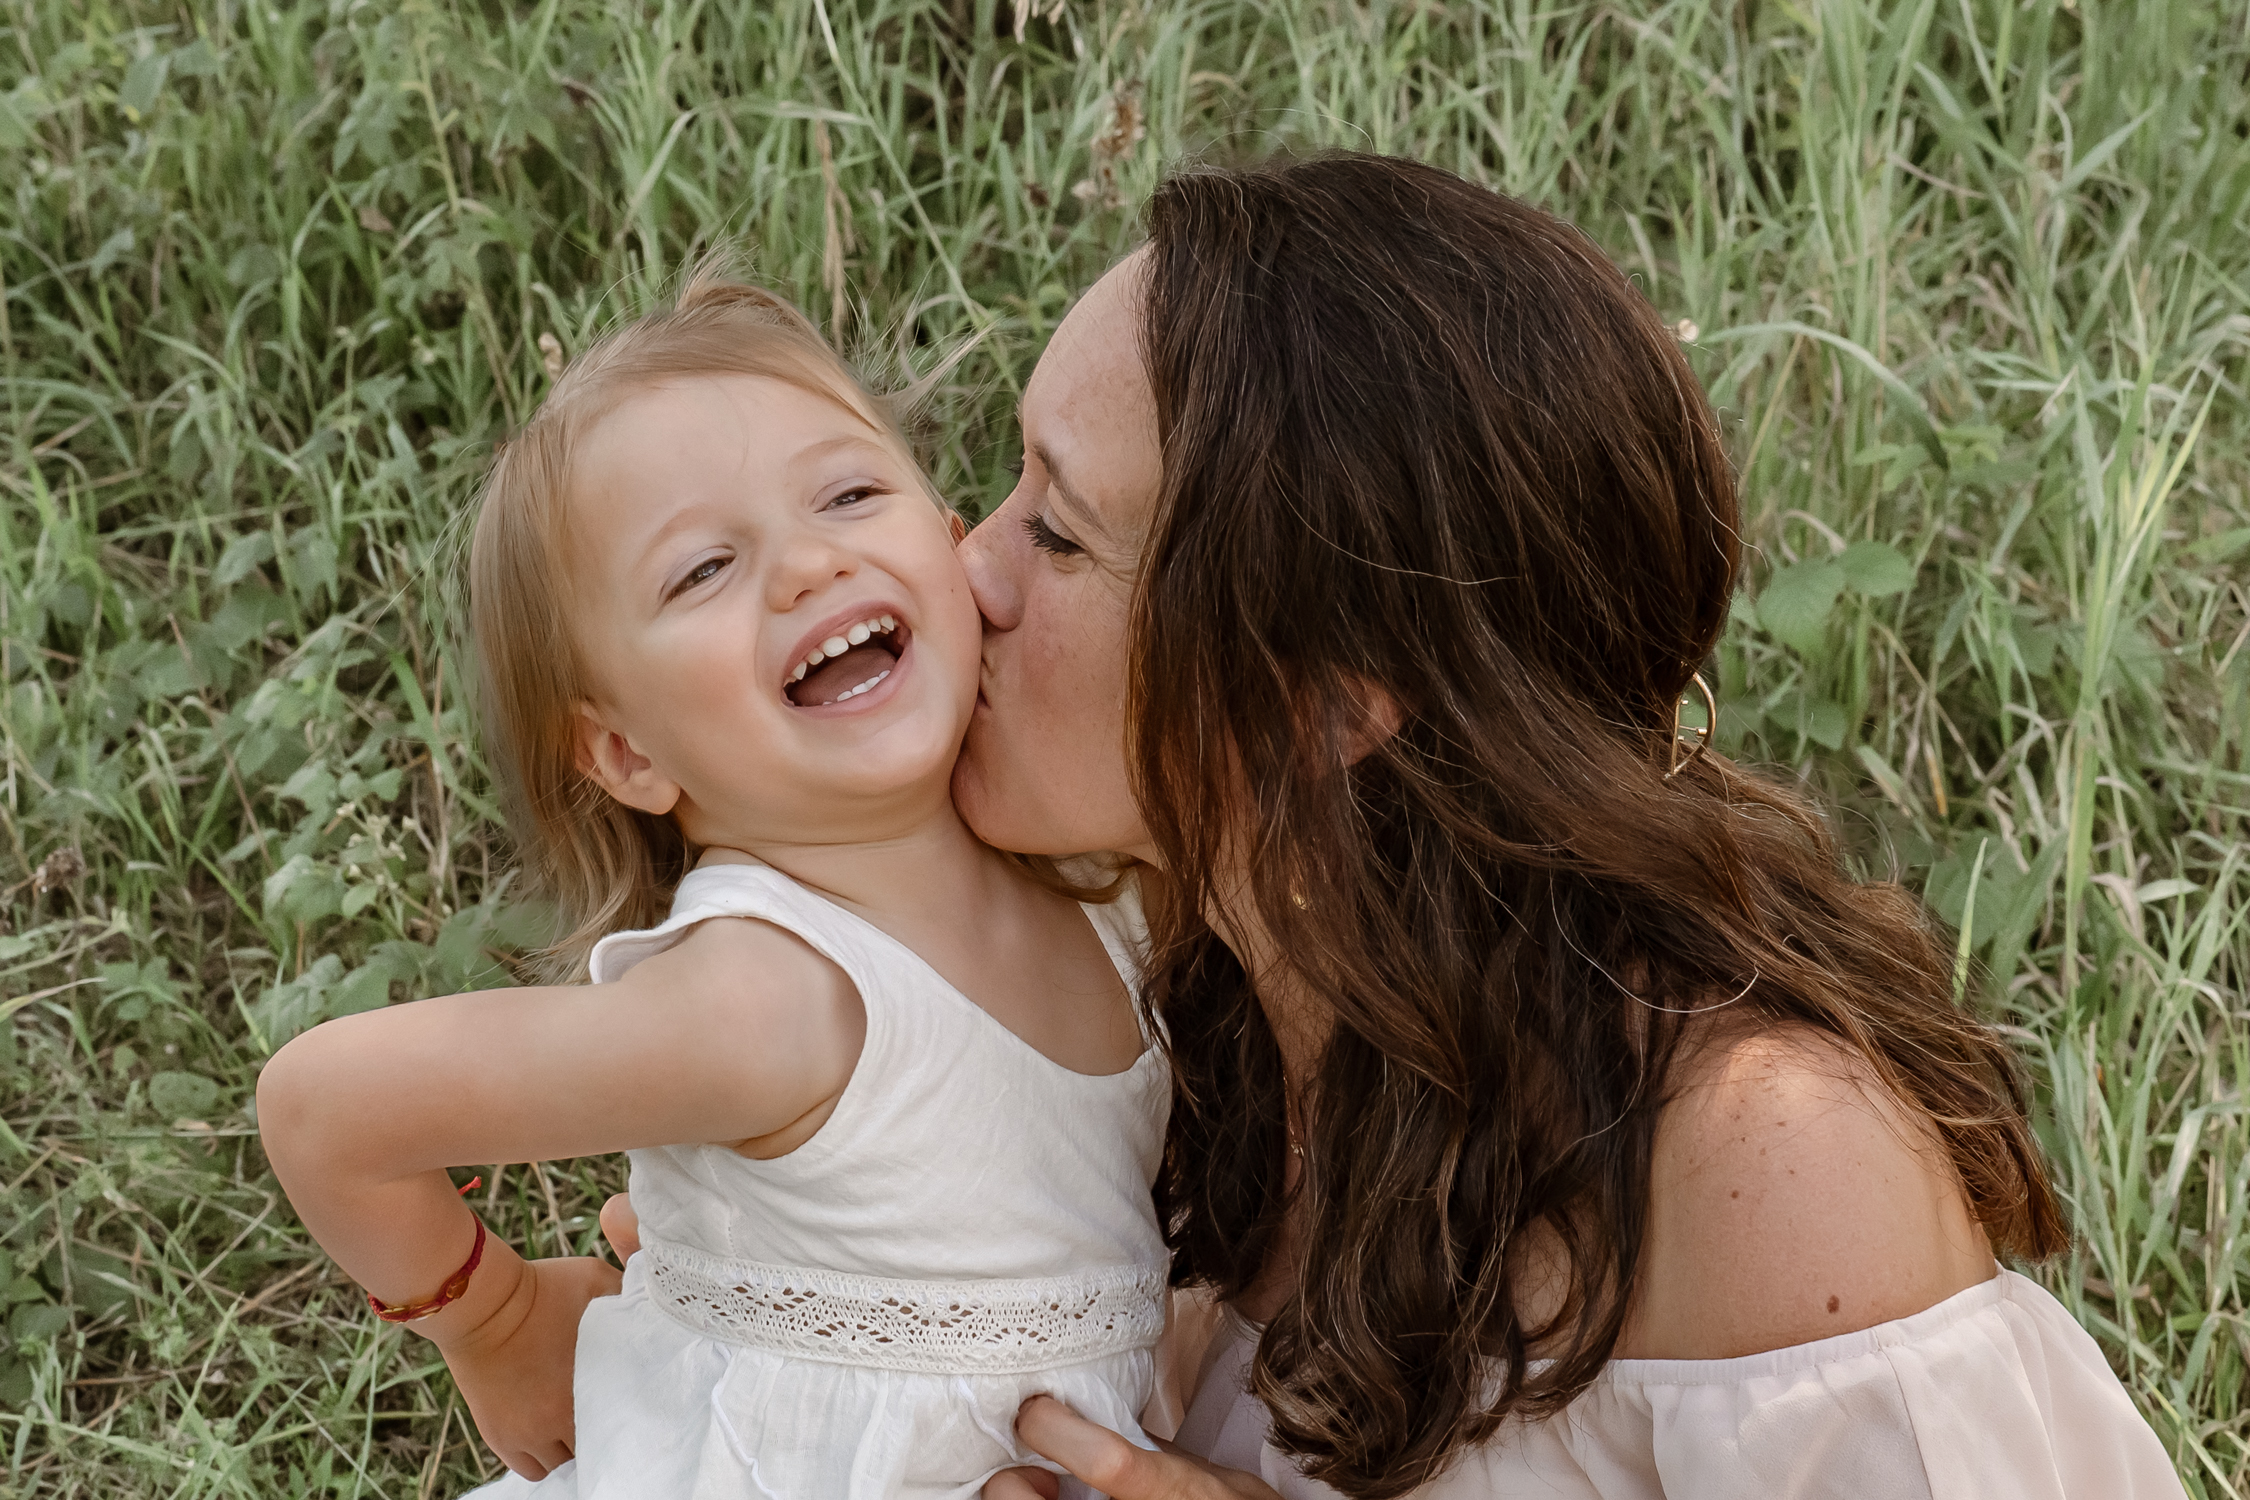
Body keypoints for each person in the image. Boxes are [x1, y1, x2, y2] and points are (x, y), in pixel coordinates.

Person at [945, 153, 2190, 1497]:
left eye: (1058, 535)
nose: (969, 566)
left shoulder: (1762, 1166)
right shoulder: (1144, 1007)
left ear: (1328, 701)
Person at [255, 268, 1172, 1500]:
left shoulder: (1100, 881)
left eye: (849, 495)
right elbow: (324, 1108)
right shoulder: (772, 996)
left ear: (953, 545)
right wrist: (497, 1319)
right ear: (628, 751)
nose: (805, 566)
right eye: (701, 571)